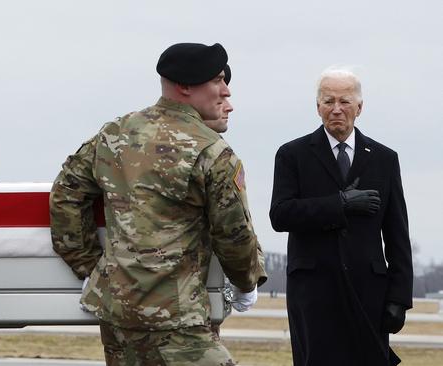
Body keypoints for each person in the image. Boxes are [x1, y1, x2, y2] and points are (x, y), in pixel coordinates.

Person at [50, 42, 267, 365]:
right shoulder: (212, 152)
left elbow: (67, 194)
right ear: (185, 87)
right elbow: (233, 235)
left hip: (118, 314)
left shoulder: (115, 134)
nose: (226, 90)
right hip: (178, 320)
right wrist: (247, 281)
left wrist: (92, 267)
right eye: (217, 80)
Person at [269, 68, 413, 365]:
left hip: (368, 292)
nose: (336, 109)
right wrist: (339, 204)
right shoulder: (292, 154)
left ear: (359, 107)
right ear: (317, 106)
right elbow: (280, 215)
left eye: (345, 102)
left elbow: (397, 233)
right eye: (328, 101)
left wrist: (399, 298)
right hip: (313, 292)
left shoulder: (385, 159)